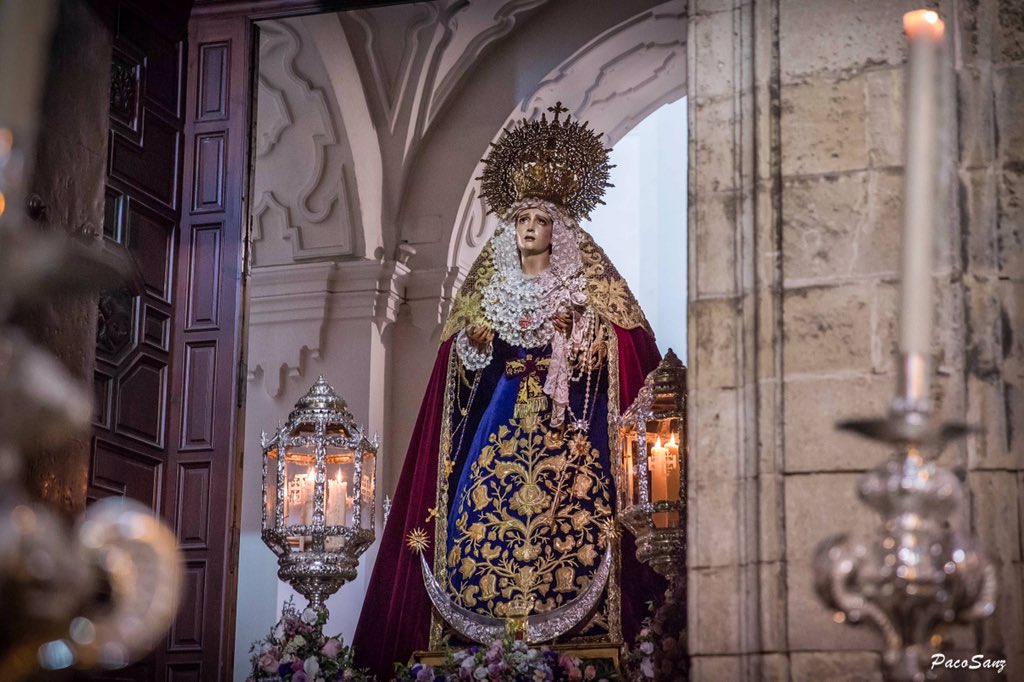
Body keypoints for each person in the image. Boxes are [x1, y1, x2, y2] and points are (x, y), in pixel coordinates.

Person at [353, 104, 665, 678]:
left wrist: (583, 333)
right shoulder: (491, 289)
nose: (528, 227)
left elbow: (617, 352)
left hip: (565, 425)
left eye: (540, 219)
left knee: (573, 511)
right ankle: (478, 632)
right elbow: (460, 375)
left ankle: (579, 629)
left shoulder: (582, 288)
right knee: (475, 501)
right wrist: (473, 344)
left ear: (559, 231)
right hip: (502, 418)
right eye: (520, 218)